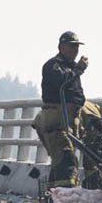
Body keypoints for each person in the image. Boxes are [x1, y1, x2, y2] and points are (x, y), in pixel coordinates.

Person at [32, 31, 88, 189]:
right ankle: (66, 200)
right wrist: (78, 70)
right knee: (66, 160)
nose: (75, 50)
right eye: (72, 46)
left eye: (77, 46)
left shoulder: (70, 67)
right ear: (61, 47)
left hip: (68, 118)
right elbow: (61, 83)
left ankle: (53, 199)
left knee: (60, 160)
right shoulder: (53, 66)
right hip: (55, 120)